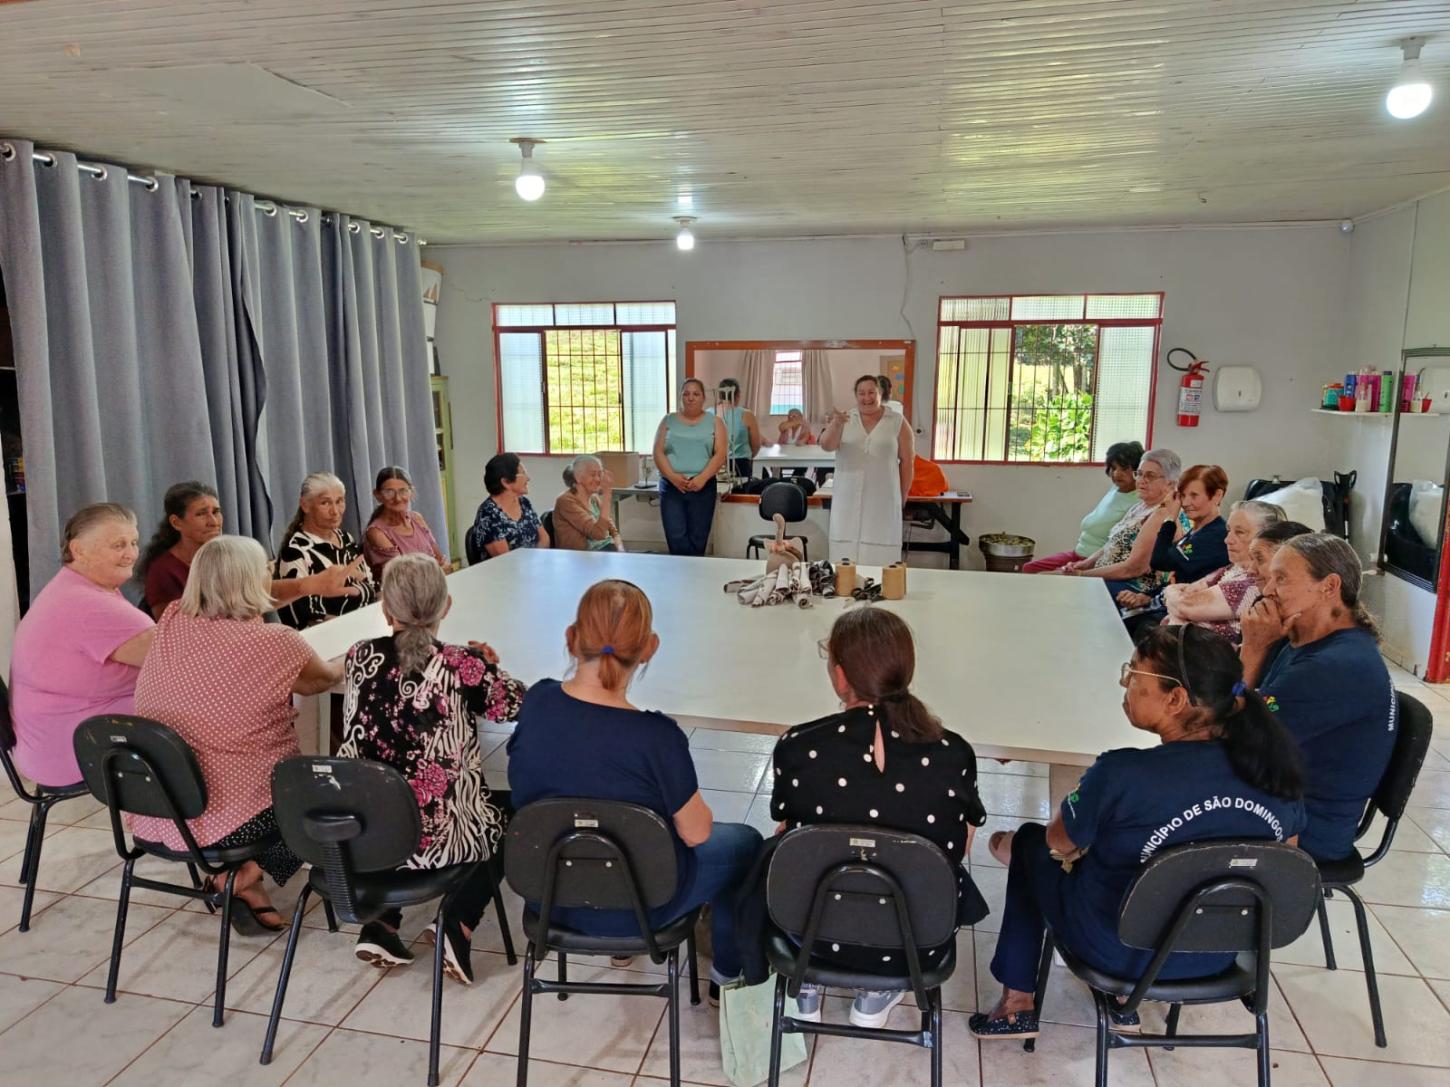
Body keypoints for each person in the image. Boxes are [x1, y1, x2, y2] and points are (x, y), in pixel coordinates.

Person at [970, 625, 1306, 1040]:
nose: (1126, 685)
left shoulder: (1123, 773)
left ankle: (1016, 1004)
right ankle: (1120, 1004)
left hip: (1116, 950)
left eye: (1134, 676)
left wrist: (1072, 813)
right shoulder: (1278, 777)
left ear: (1176, 699)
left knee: (1027, 845)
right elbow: (1285, 867)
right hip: (1217, 954)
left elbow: (1057, 842)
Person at [507, 579, 763, 999]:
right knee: (747, 844)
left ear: (572, 639)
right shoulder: (657, 736)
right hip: (646, 906)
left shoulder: (537, 701)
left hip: (548, 896)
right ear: (650, 648)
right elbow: (697, 834)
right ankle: (726, 976)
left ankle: (627, 946)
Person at [771, 607, 987, 1029]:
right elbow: (957, 850)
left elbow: (786, 826)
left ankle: (808, 984)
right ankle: (876, 991)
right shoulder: (953, 753)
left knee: (790, 841)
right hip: (917, 938)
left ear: (840, 675)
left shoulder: (798, 745)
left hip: (806, 930)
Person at [130, 536, 344, 933]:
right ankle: (246, 871)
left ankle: (245, 879)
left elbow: (239, 608)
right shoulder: (276, 641)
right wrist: (350, 658)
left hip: (159, 806)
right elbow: (320, 682)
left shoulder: (174, 618)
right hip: (228, 818)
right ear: (253, 581)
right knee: (320, 792)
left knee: (245, 764)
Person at [339, 554, 526, 982]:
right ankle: (456, 923)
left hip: (367, 832)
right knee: (511, 812)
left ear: (386, 609)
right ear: (446, 607)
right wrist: (486, 666)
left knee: (392, 791)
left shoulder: (358, 656)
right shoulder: (461, 665)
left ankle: (382, 923)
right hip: (439, 836)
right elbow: (516, 703)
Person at [1240, 533, 1396, 862]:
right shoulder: (1299, 640)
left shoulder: (1336, 667)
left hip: (1306, 832)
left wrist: (1253, 649)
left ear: (1328, 586)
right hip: (1275, 800)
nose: (1267, 591)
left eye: (1281, 579)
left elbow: (1228, 743)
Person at [9, 504, 155, 787]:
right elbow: (182, 658)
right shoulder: (89, 605)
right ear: (79, 550)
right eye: (118, 545)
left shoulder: (73, 588)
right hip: (74, 748)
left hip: (49, 745)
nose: (131, 553)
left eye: (134, 542)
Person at [821, 374, 915, 566]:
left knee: (881, 555)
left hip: (883, 499)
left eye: (872, 392)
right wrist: (836, 423)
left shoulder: (896, 421)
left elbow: (907, 461)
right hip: (847, 497)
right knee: (845, 556)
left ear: (880, 393)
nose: (867, 398)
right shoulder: (845, 419)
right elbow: (827, 445)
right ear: (856, 396)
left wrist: (902, 496)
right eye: (861, 393)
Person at [1064, 448, 1186, 596]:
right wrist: (1084, 564)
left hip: (1129, 588)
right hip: (1107, 577)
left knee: (1057, 587)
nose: (1141, 480)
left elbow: (1133, 568)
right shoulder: (1140, 506)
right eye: (1139, 474)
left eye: (1150, 476)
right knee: (1047, 579)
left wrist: (1082, 576)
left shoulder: (1162, 513)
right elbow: (1111, 544)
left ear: (1170, 483)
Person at [1159, 500, 1284, 640]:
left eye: (1240, 532)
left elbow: (1184, 606)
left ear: (1264, 538)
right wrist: (1173, 596)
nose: (1227, 540)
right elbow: (1187, 593)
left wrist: (1169, 593)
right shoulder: (1234, 568)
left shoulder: (1252, 585)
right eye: (1229, 530)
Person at [274, 472, 377, 629]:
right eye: (325, 503)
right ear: (305, 505)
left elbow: (368, 584)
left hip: (365, 627)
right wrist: (353, 627)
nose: (335, 511)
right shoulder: (296, 552)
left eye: (339, 501)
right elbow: (302, 616)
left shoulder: (345, 538)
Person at [1023, 442, 1142, 573]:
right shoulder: (1115, 489)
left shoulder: (1137, 501)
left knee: (1041, 576)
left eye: (1124, 469)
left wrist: (1083, 566)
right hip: (1078, 554)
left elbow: (1117, 547)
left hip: (1095, 562)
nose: (1117, 474)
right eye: (1113, 468)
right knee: (1029, 568)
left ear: (1138, 470)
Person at [653, 378, 729, 556]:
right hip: (672, 486)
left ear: (703, 398)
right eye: (686, 394)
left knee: (698, 537)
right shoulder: (668, 420)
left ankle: (694, 574)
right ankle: (680, 574)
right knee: (675, 535)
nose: (690, 398)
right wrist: (672, 477)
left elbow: (720, 454)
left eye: (696, 394)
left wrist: (701, 479)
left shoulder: (715, 422)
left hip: (703, 487)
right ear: (680, 397)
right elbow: (657, 452)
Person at [137, 482, 223, 618]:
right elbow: (169, 628)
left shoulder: (227, 559)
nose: (213, 522)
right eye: (201, 514)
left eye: (216, 512)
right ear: (176, 523)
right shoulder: (163, 571)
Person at [363, 465, 446, 582]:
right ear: (378, 495)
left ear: (411, 492)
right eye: (389, 492)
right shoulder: (376, 532)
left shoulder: (417, 518)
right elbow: (402, 577)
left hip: (431, 586)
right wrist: (439, 571)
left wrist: (441, 568)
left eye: (403, 491)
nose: (397, 498)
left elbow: (439, 558)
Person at [468, 453, 550, 560]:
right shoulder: (488, 514)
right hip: (504, 574)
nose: (528, 478)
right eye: (523, 474)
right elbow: (506, 560)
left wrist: (537, 562)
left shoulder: (524, 503)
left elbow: (544, 538)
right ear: (506, 482)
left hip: (533, 569)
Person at [552, 455, 622, 552]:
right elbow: (599, 534)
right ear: (578, 477)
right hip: (583, 559)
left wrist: (621, 550)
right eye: (593, 475)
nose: (598, 479)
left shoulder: (594, 499)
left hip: (606, 552)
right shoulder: (566, 501)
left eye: (600, 474)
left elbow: (614, 532)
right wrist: (607, 495)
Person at [715, 377, 762, 478]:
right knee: (741, 491)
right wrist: (748, 456)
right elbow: (756, 444)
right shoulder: (746, 414)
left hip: (713, 464)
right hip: (741, 463)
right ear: (737, 395)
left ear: (719, 395)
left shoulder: (709, 413)